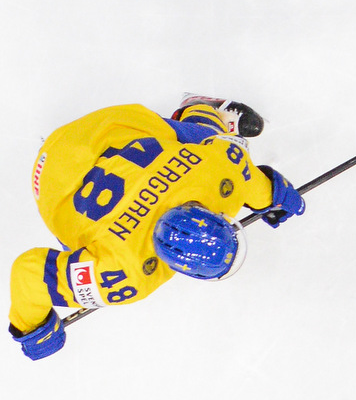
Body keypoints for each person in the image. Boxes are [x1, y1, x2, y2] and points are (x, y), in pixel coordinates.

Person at [8, 96, 305, 360]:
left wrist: (274, 193)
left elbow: (241, 170)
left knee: (206, 137)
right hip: (52, 173)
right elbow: (30, 274)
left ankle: (202, 110)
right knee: (80, 253)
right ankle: (199, 107)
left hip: (107, 127)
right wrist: (30, 327)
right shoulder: (121, 274)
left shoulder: (220, 173)